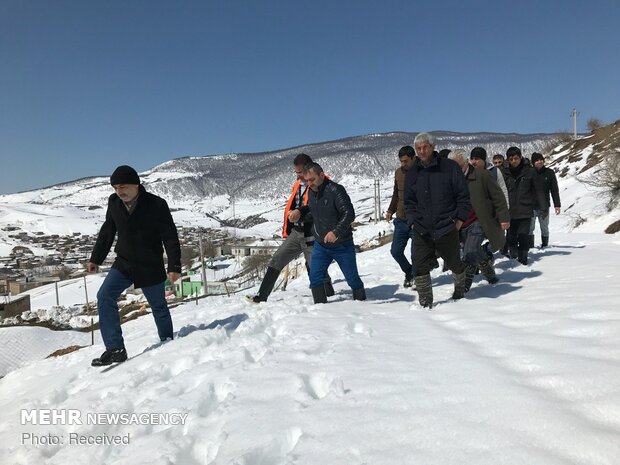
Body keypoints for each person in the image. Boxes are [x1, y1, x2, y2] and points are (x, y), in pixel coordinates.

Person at [88, 165, 182, 366]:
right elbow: (107, 231)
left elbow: (170, 236)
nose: (119, 192)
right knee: (104, 296)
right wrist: (96, 258)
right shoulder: (114, 203)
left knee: (159, 307)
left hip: (150, 264)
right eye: (115, 188)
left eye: (123, 186)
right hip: (124, 263)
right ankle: (115, 349)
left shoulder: (156, 204)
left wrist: (174, 266)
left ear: (136, 184)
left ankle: (167, 343)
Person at [250, 153, 333, 303]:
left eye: (300, 172)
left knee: (315, 266)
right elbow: (296, 204)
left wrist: (300, 214)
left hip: (312, 234)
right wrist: (291, 214)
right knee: (277, 259)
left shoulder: (322, 185)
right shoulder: (298, 185)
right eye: (296, 172)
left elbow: (319, 211)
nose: (298, 175)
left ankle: (326, 295)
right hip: (297, 232)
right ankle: (262, 296)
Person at [404, 133, 470, 308]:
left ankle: (460, 289)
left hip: (446, 226)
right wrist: (411, 220)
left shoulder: (449, 167)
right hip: (421, 228)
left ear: (433, 147)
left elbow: (463, 196)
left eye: (425, 147)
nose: (422, 151)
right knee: (420, 266)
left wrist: (459, 220)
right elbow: (409, 201)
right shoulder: (412, 173)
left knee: (455, 263)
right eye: (418, 148)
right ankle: (426, 304)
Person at [288, 162, 366, 303]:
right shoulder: (311, 192)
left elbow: (349, 213)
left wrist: (335, 232)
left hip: (342, 244)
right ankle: (321, 310)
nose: (310, 184)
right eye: (307, 181)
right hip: (321, 244)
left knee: (352, 279)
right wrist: (299, 212)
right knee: (315, 278)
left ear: (322, 175)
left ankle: (361, 306)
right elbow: (314, 211)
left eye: (312, 179)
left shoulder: (336, 190)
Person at [449, 150, 510, 290]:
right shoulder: (450, 179)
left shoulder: (482, 175)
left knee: (469, 252)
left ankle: (464, 286)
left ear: (466, 163)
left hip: (479, 220)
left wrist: (504, 218)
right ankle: (490, 274)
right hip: (460, 223)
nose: (455, 170)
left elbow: (498, 197)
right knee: (475, 251)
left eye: (458, 166)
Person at [502, 147, 546, 265]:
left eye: (516, 158)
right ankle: (513, 258)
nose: (514, 161)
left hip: (525, 209)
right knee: (511, 236)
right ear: (507, 159)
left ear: (521, 158)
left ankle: (523, 259)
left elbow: (539, 190)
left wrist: (543, 207)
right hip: (509, 210)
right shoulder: (504, 172)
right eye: (511, 159)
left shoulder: (530, 171)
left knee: (523, 236)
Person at [385, 146, 416, 288]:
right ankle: (408, 271)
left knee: (416, 254)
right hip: (401, 220)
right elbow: (396, 193)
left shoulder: (421, 171)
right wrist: (391, 210)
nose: (403, 164)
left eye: (406, 161)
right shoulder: (398, 173)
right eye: (401, 161)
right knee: (395, 251)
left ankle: (417, 277)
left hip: (416, 220)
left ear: (413, 158)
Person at [529, 152, 561, 248]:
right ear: (533, 162)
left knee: (544, 228)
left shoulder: (549, 172)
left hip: (544, 206)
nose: (539, 162)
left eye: (541, 160)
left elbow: (554, 190)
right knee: (530, 228)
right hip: (531, 206)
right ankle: (530, 247)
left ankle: (545, 246)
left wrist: (557, 205)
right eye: (537, 160)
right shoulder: (530, 172)